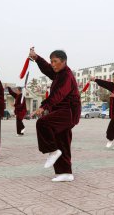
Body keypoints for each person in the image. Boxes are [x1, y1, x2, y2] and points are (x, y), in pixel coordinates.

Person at [30, 48, 81, 182]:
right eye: (51, 61)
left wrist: (43, 106)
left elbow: (58, 95)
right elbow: (47, 69)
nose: (52, 64)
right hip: (61, 111)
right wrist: (36, 58)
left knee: (42, 123)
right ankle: (65, 173)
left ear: (64, 62)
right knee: (62, 141)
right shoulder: (59, 73)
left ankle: (52, 151)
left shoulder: (66, 76)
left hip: (68, 112)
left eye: (55, 61)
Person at [90, 71, 114, 150]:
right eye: (113, 76)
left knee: (113, 124)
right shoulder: (113, 86)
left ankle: (110, 138)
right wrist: (95, 80)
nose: (113, 78)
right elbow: (104, 83)